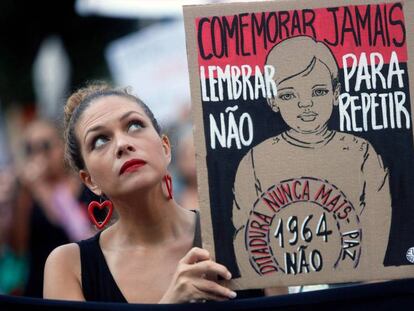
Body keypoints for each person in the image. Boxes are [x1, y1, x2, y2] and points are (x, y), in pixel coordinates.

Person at [43, 82, 276, 303]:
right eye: (100, 140)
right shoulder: (69, 266)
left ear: (165, 147)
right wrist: (170, 303)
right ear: (89, 180)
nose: (122, 144)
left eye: (134, 126)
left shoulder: (247, 234)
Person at [232, 36, 391, 282]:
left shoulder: (361, 153)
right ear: (272, 100)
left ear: (336, 93)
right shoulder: (255, 160)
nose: (305, 103)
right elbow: (245, 239)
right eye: (288, 95)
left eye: (318, 91)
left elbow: (378, 231)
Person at [11, 118, 94, 298]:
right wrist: (27, 193)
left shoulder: (85, 183)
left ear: (61, 146)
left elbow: (80, 231)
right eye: (30, 149)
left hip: (84, 279)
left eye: (45, 145)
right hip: (40, 285)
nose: (38, 154)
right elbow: (19, 247)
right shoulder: (27, 191)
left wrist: (41, 190)